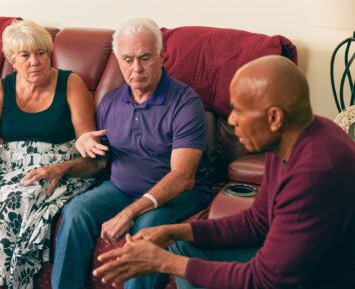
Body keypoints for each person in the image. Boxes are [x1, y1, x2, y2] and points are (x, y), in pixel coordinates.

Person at [92, 55, 355, 289]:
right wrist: (175, 231)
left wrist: (164, 263)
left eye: (239, 111)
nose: (230, 120)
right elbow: (258, 221)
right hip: (296, 265)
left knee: (179, 258)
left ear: (274, 118)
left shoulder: (316, 172)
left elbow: (264, 279)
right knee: (183, 245)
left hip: (315, 279)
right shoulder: (290, 139)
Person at [0, 20, 102, 289]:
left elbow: (86, 140)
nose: (35, 61)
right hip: (7, 165)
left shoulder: (71, 84)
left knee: (12, 200)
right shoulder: (1, 89)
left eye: (41, 53)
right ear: (13, 60)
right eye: (25, 55)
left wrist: (81, 148)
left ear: (50, 54)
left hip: (53, 168)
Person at [51, 18, 213, 289]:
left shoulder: (185, 103)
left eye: (145, 58)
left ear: (161, 57)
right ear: (117, 60)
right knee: (76, 211)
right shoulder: (112, 101)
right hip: (121, 188)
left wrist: (130, 212)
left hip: (178, 194)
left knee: (146, 228)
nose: (136, 68)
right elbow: (101, 163)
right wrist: (67, 164)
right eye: (127, 59)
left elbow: (183, 177)